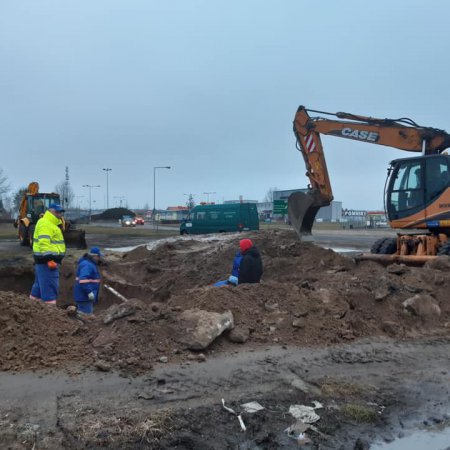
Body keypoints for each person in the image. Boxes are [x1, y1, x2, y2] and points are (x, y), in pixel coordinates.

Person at [30, 203, 66, 305]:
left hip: (44, 262)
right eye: (58, 212)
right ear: (51, 211)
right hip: (48, 263)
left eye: (61, 212)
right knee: (49, 288)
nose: (60, 214)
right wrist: (49, 258)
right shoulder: (46, 223)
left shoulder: (48, 223)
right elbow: (44, 242)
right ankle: (50, 316)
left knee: (38, 288)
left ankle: (32, 310)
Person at [73, 247, 104, 314]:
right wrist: (89, 292)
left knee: (85, 316)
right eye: (99, 257)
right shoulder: (87, 265)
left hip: (85, 296)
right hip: (84, 296)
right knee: (86, 317)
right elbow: (83, 279)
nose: (99, 259)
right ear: (95, 256)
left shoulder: (89, 264)